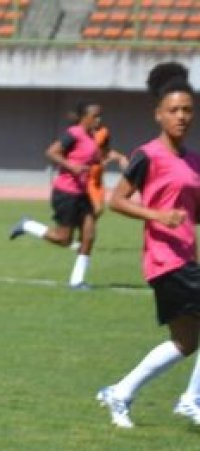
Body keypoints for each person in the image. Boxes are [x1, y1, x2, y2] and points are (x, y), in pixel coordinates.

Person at [96, 62, 200, 428]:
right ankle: (191, 400)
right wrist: (157, 215)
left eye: (187, 110)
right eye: (173, 110)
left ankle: (120, 392)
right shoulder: (147, 155)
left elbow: (192, 213)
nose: (181, 116)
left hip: (186, 258)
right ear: (159, 114)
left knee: (185, 343)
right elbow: (117, 200)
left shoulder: (194, 161)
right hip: (164, 260)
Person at [9, 101, 106, 288]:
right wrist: (72, 167)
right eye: (95, 116)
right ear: (84, 117)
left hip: (82, 194)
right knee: (63, 239)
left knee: (89, 235)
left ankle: (77, 281)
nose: (99, 120)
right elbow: (52, 152)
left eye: (100, 116)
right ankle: (27, 225)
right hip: (66, 193)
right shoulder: (73, 134)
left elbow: (94, 158)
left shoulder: (91, 136)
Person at [86, 121, 128, 218]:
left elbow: (118, 157)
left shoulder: (104, 134)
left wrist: (124, 164)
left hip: (96, 183)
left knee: (98, 210)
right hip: (84, 182)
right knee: (95, 210)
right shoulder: (84, 141)